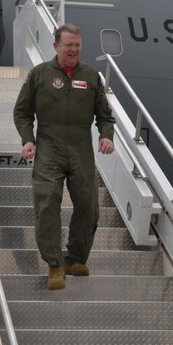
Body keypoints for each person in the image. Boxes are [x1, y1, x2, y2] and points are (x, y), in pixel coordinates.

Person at [12, 23, 115, 290]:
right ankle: (55, 265)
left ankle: (75, 259)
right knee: (47, 204)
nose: (74, 50)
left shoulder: (91, 77)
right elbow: (22, 112)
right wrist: (28, 139)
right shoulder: (40, 75)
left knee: (89, 206)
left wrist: (106, 136)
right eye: (69, 45)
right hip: (49, 148)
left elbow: (105, 116)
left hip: (81, 149)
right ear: (56, 46)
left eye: (77, 45)